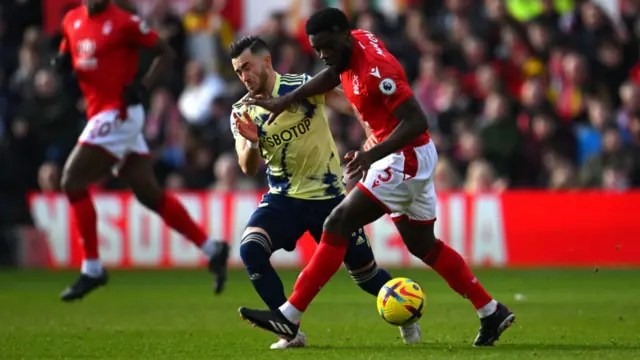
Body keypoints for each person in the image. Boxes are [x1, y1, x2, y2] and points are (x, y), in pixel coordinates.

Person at [238, 8, 515, 347]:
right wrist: (289, 99)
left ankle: (288, 316)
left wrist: (372, 155)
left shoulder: (377, 71)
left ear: (343, 35)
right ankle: (491, 311)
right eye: (317, 49)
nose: (323, 55)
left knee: (337, 223)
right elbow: (333, 73)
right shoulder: (351, 46)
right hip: (410, 156)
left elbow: (417, 121)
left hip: (404, 157)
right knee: (422, 245)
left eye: (326, 47)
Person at [229, 35, 420, 349]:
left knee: (367, 277)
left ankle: (409, 313)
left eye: (247, 67)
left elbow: (352, 105)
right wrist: (251, 141)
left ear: (266, 62)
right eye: (238, 72)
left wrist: (374, 136)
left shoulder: (302, 86)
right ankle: (288, 331)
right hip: (283, 198)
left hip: (329, 198)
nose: (244, 76)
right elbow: (247, 167)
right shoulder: (242, 111)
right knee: (251, 249)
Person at [51, 0, 229, 301]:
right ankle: (213, 249)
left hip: (119, 113)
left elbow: (166, 52)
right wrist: (62, 62)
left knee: (72, 181)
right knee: (149, 194)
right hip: (98, 114)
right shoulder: (71, 20)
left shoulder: (125, 22)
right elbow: (67, 55)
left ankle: (92, 267)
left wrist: (144, 86)